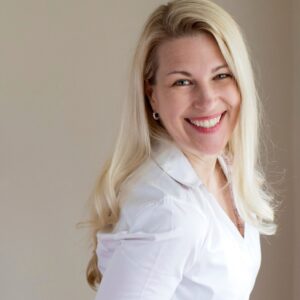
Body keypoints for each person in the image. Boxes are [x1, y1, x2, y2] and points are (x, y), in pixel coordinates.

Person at [85, 0, 277, 299]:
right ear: (153, 97)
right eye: (183, 82)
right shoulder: (169, 212)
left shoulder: (222, 166)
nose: (207, 100)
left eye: (221, 75)